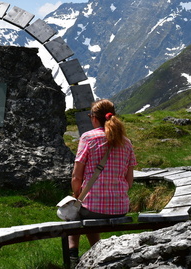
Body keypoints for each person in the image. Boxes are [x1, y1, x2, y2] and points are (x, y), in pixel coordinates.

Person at [68, 99, 137, 267]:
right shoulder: (126, 143)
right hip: (120, 208)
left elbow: (76, 177)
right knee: (87, 208)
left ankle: (72, 257)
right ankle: (96, 251)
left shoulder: (88, 138)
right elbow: (129, 180)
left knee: (73, 211)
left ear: (94, 118)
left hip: (94, 208)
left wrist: (77, 195)